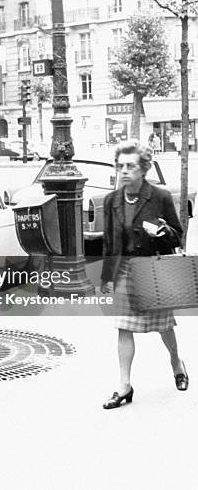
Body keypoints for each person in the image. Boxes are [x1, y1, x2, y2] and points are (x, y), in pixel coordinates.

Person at [100, 139, 188, 409]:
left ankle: (176, 361)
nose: (124, 171)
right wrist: (106, 277)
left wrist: (164, 233)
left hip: (152, 268)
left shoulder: (159, 196)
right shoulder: (111, 200)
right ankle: (124, 386)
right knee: (123, 326)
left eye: (130, 166)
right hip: (125, 269)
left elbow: (178, 233)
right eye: (120, 165)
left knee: (163, 326)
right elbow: (109, 241)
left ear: (144, 168)